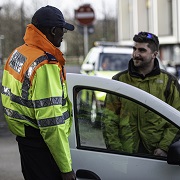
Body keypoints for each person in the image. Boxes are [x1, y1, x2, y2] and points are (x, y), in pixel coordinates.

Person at [1, 5, 76, 180]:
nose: (63, 35)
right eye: (62, 30)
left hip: (25, 140)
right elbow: (52, 123)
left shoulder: (19, 53)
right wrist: (65, 169)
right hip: (43, 147)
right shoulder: (44, 64)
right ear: (52, 30)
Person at [103, 31, 180, 157]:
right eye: (134, 49)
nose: (135, 54)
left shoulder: (169, 82)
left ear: (155, 54)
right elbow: (109, 119)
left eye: (142, 50)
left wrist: (164, 148)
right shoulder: (119, 80)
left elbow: (177, 119)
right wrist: (117, 151)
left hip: (158, 156)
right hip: (126, 154)